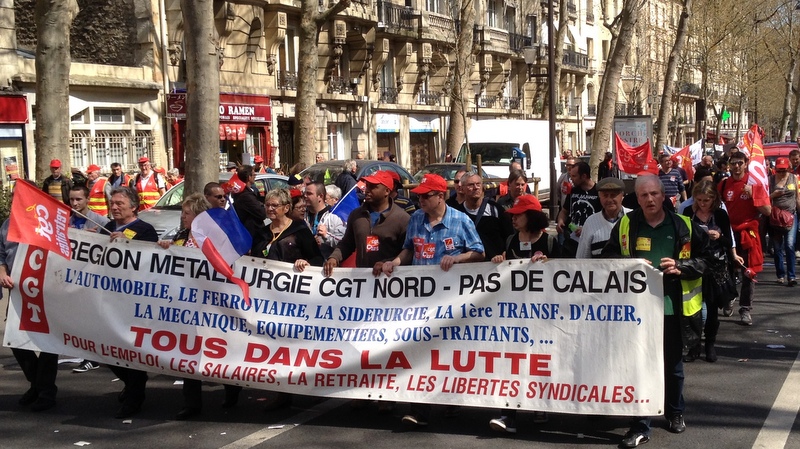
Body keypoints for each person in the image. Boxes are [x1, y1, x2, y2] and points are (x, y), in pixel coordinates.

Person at [602, 175, 711, 448]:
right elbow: (607, 259)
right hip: (636, 313)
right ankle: (640, 424)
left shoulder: (684, 225)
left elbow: (709, 260)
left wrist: (681, 267)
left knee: (673, 367)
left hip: (673, 308)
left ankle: (674, 411)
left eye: (654, 194)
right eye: (643, 195)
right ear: (637, 199)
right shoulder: (625, 225)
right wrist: (629, 265)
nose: (649, 199)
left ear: (663, 196)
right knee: (640, 367)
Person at [381, 173, 484, 427]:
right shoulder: (416, 219)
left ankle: (451, 399)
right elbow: (409, 249)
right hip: (420, 302)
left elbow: (478, 252)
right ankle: (419, 410)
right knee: (419, 351)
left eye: (426, 196)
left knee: (447, 351)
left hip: (451, 303)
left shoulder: (460, 220)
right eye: (418, 196)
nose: (421, 200)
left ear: (441, 196)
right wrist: (395, 262)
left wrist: (457, 258)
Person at [157, 194, 244, 419]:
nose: (183, 217)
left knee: (218, 349)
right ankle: (192, 403)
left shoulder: (214, 236)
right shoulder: (182, 235)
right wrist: (166, 247)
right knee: (188, 352)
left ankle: (232, 386)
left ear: (198, 215)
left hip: (212, 305)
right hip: (187, 305)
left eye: (187, 213)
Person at [488, 194, 559, 433]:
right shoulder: (510, 241)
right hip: (514, 315)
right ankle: (507, 414)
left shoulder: (550, 242)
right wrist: (499, 260)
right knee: (512, 362)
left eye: (518, 215)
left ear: (532, 216)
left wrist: (550, 263)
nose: (514, 218)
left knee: (540, 360)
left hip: (543, 314)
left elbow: (567, 271)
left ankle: (540, 405)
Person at [253, 188, 323, 411]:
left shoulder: (299, 231)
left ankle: (312, 386)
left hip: (297, 299)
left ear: (286, 207)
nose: (270, 209)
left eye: (274, 205)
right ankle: (283, 392)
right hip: (270, 299)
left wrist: (305, 263)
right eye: (267, 205)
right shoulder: (262, 233)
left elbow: (317, 258)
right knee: (278, 345)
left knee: (301, 343)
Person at [0, 187, 59, 411]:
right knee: (15, 339)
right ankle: (37, 383)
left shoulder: (47, 224)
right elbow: (1, 255)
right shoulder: (6, 225)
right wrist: (2, 272)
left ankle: (45, 392)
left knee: (48, 341)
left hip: (45, 289)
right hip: (16, 290)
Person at [104, 187, 159, 418]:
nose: (114, 207)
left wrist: (127, 241)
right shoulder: (106, 227)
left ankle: (134, 397)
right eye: (112, 203)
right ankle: (131, 382)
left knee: (131, 349)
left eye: (120, 203)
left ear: (134, 207)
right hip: (109, 299)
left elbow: (151, 257)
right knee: (105, 346)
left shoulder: (145, 230)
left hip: (134, 301)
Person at [683, 180, 742, 363]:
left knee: (712, 309)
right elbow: (682, 238)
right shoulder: (688, 212)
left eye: (706, 200)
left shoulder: (720, 214)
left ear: (713, 199)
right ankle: (694, 346)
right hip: (694, 265)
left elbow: (729, 241)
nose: (702, 204)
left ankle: (710, 344)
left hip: (715, 267)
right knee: (693, 308)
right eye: (699, 200)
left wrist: (719, 236)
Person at [718, 151, 771, 325]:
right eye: (733, 163)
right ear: (729, 164)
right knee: (726, 271)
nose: (736, 166)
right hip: (727, 234)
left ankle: (745, 309)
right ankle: (729, 298)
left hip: (747, 234)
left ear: (746, 163)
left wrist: (753, 194)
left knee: (748, 272)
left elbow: (767, 211)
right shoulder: (723, 185)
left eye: (740, 163)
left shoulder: (754, 184)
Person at [324, 170, 409, 277]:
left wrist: (388, 263)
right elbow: (347, 243)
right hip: (363, 280)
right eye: (367, 186)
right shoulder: (356, 215)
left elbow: (408, 252)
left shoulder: (402, 218)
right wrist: (334, 257)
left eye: (373, 187)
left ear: (387, 191)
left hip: (391, 280)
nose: (367, 190)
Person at [454, 171, 508, 260]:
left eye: (478, 184)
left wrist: (505, 252)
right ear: (462, 189)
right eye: (471, 185)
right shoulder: (457, 213)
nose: (475, 187)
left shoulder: (495, 209)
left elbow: (508, 235)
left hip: (495, 263)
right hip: (468, 265)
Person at [575, 177, 629, 259]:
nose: (609, 200)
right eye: (605, 195)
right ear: (599, 197)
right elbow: (582, 258)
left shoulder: (632, 218)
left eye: (613, 195)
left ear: (622, 196)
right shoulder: (590, 222)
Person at [556, 161, 601, 257]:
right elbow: (564, 211)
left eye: (574, 176)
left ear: (584, 176)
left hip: (591, 240)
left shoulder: (598, 192)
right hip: (572, 240)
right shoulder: (573, 191)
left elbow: (602, 217)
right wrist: (560, 220)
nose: (571, 179)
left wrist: (585, 229)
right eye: (570, 176)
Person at [768, 157, 799, 285]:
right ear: (775, 169)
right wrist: (773, 195)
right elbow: (764, 199)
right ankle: (780, 274)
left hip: (791, 216)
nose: (781, 173)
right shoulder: (770, 180)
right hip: (775, 217)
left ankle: (791, 276)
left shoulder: (793, 178)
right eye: (779, 170)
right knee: (777, 247)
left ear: (789, 169)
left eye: (784, 170)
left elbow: (797, 198)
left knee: (790, 245)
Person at [304, 182, 345, 259]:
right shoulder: (302, 215)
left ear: (320, 196)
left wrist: (326, 235)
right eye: (304, 193)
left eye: (309, 194)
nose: (305, 196)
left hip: (326, 263)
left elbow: (344, 244)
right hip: (304, 263)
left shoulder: (334, 217)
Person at [232, 165, 267, 243]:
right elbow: (262, 213)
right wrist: (262, 205)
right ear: (249, 177)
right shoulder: (245, 195)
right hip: (252, 235)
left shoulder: (247, 192)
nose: (255, 176)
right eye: (253, 174)